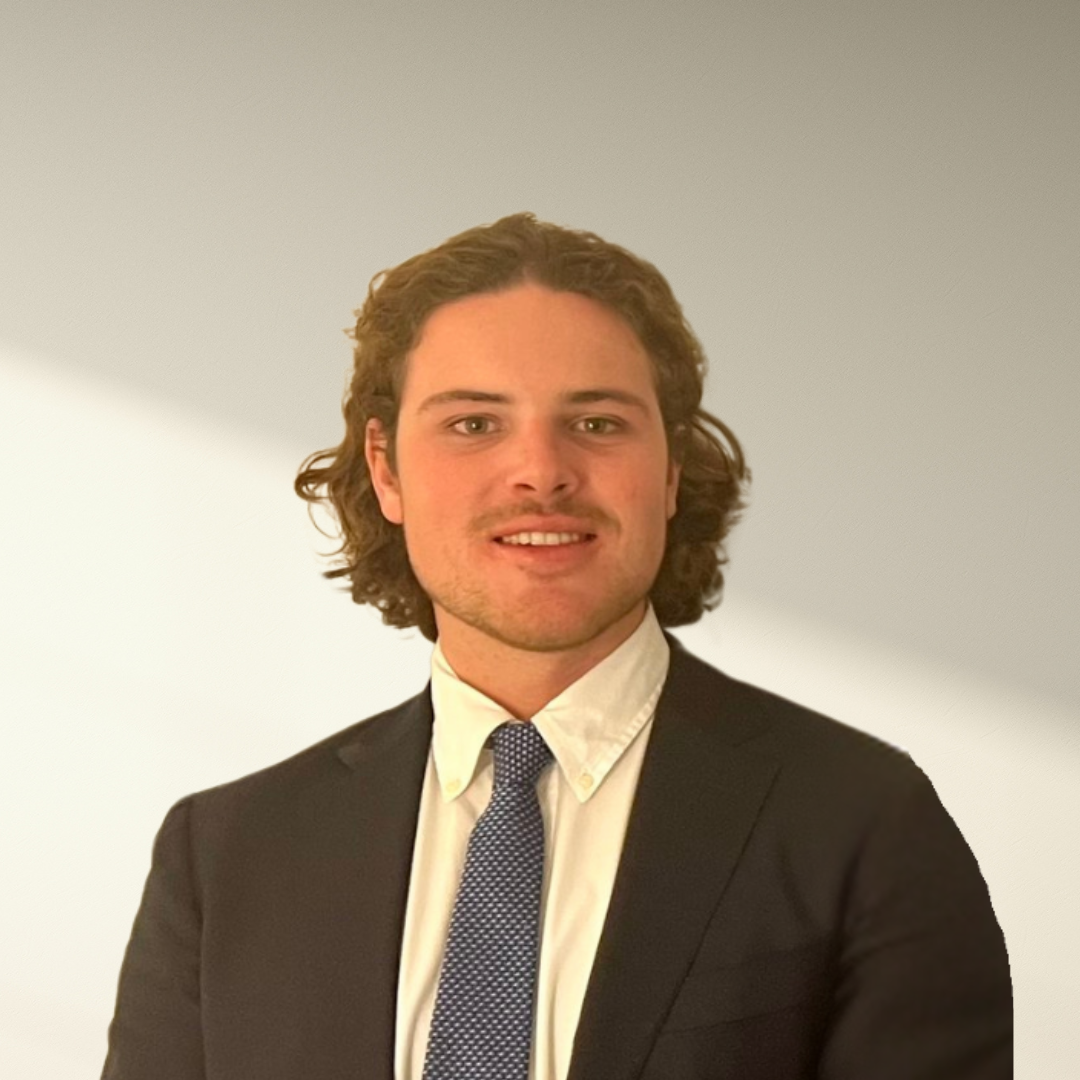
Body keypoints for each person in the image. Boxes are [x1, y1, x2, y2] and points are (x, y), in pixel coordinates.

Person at [101, 213, 1012, 1079]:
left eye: (597, 423)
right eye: (473, 423)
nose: (540, 471)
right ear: (385, 469)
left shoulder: (862, 825)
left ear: (671, 468)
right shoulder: (227, 858)